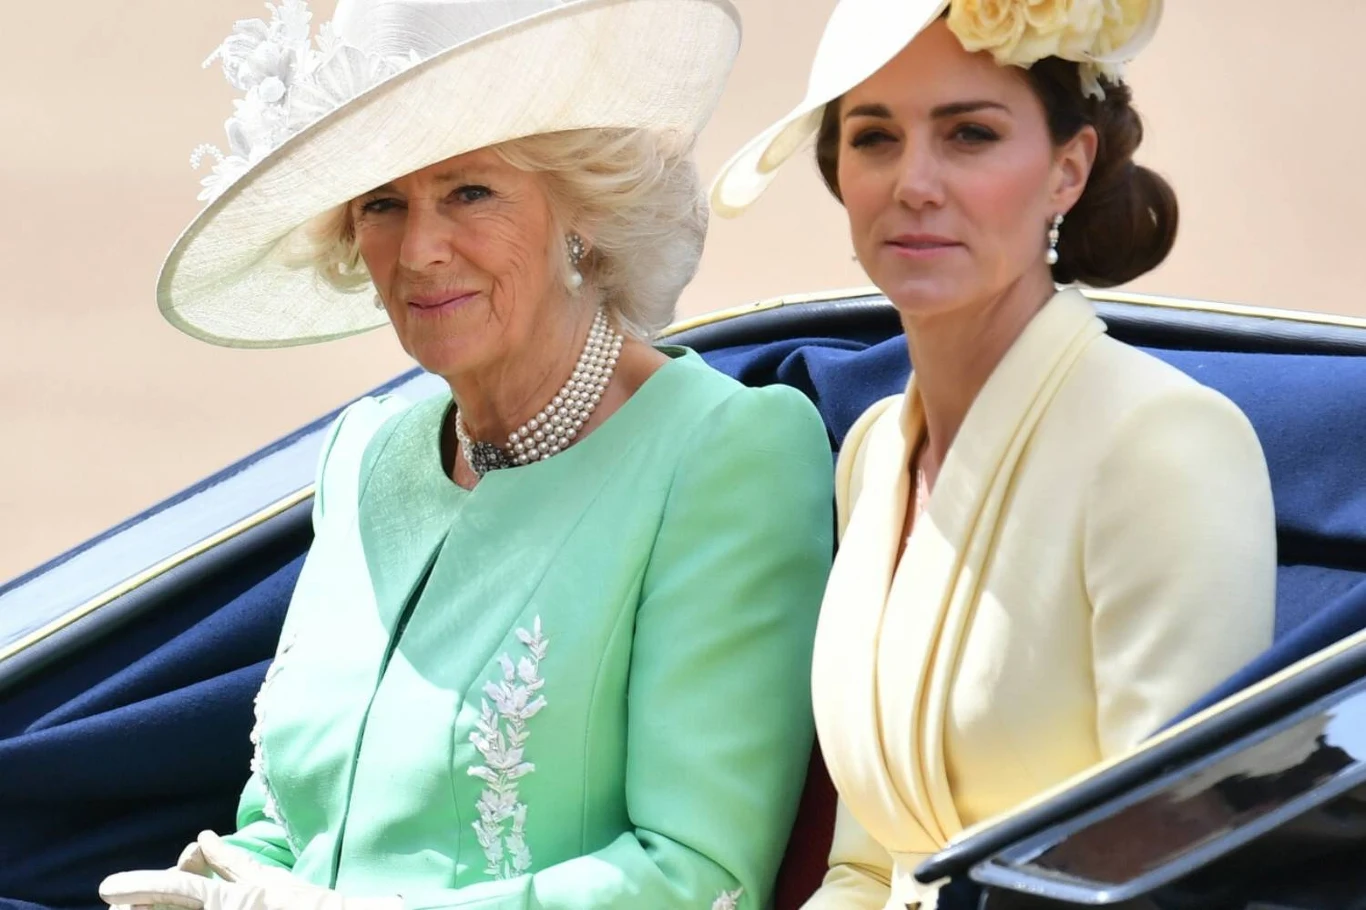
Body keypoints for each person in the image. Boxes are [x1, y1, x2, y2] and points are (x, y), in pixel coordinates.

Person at [99, 1, 835, 909]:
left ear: (583, 210)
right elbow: (294, 826)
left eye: (469, 193)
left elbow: (698, 877)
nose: (420, 249)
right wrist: (222, 884)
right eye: (382, 203)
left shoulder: (726, 452)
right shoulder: (365, 456)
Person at [711, 0, 1277, 907]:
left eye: (969, 134)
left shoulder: (1165, 445)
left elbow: (1173, 880)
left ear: (1067, 168)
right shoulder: (872, 454)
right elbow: (866, 868)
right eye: (874, 138)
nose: (914, 183)